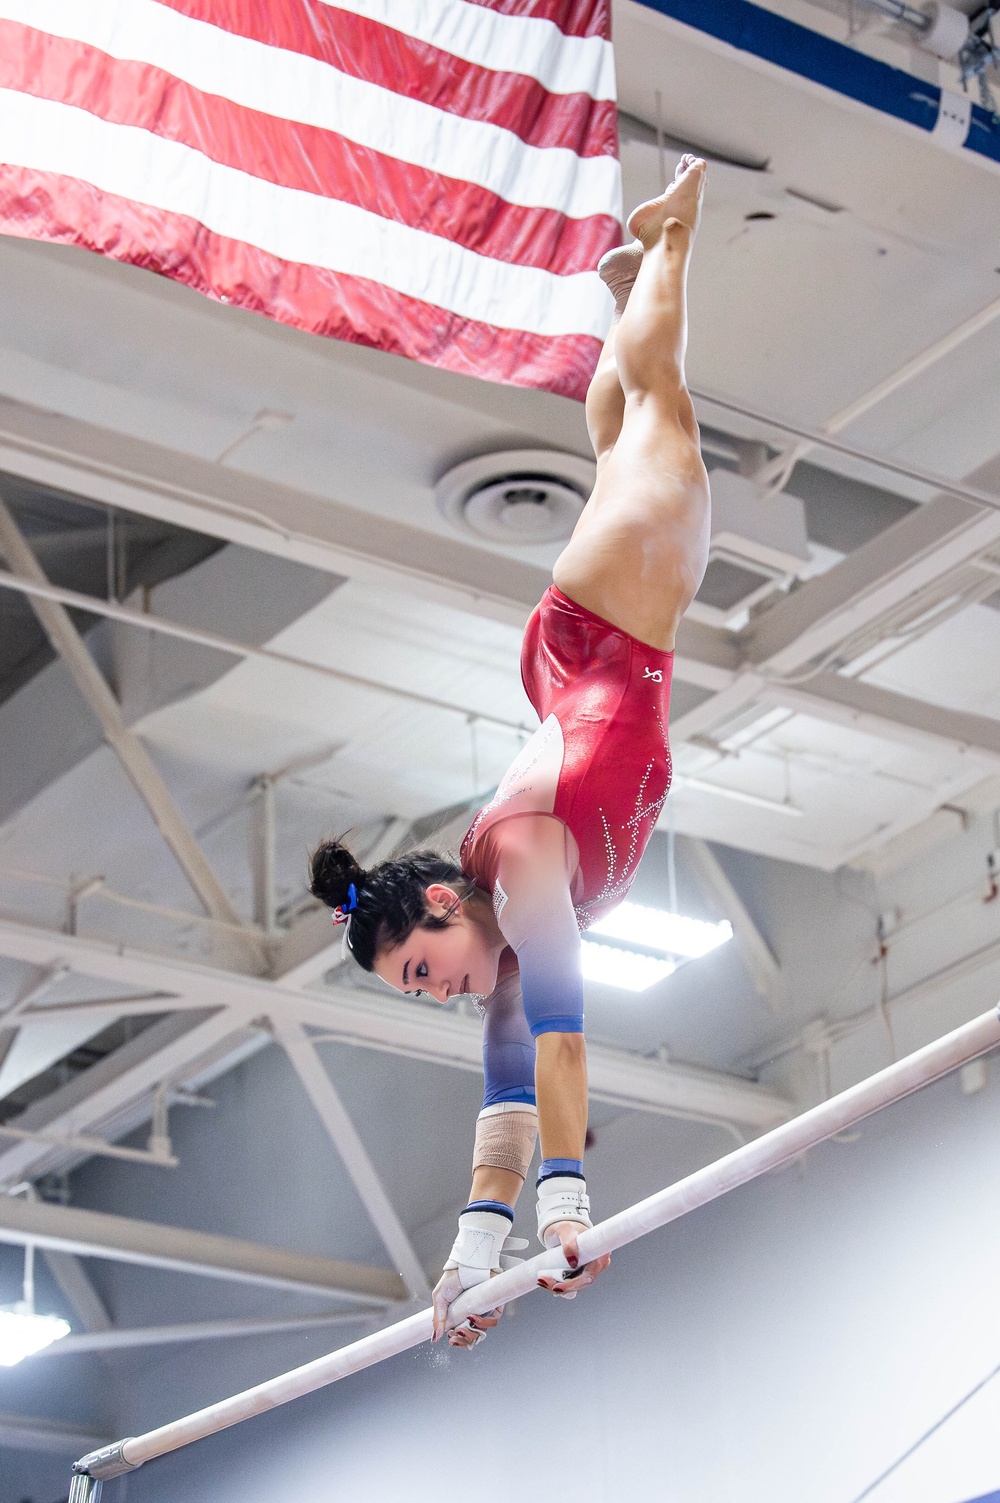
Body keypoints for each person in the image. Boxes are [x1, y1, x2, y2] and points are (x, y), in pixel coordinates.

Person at [309, 156, 711, 1347]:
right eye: (422, 995)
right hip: (580, 674)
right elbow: (504, 1100)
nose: (440, 992)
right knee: (622, 443)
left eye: (423, 968)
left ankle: (672, 238)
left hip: (608, 635)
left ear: (445, 901)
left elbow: (564, 1042)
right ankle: (631, 279)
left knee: (664, 418)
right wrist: (469, 1263)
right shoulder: (501, 929)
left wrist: (569, 1212)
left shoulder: (524, 868)